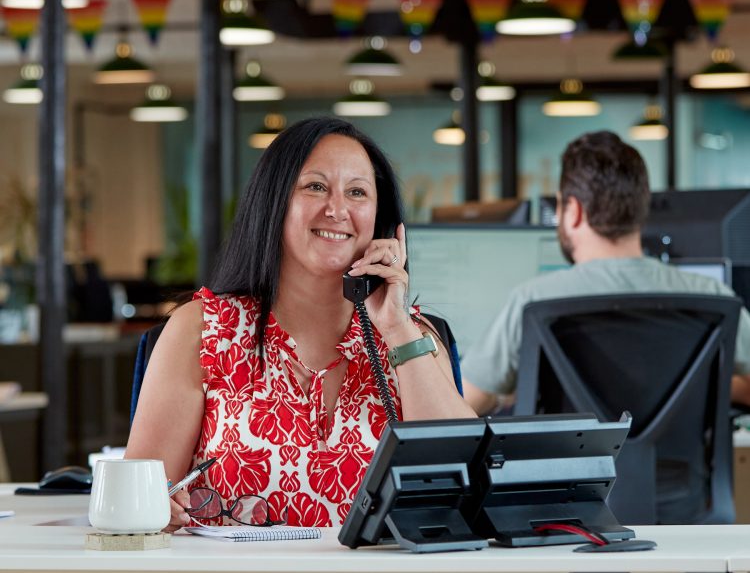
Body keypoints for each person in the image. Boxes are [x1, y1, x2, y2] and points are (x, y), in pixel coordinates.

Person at [127, 116, 475, 531]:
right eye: (315, 186)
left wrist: (397, 326)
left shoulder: (411, 334)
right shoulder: (202, 328)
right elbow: (137, 501)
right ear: (274, 202)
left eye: (357, 192)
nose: (337, 209)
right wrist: (161, 506)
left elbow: (466, 481)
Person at [461, 130, 750, 415]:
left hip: (572, 464)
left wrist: (501, 397)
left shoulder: (533, 301)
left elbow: (462, 406)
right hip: (679, 464)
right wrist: (708, 384)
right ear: (640, 209)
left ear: (573, 210)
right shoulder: (711, 297)